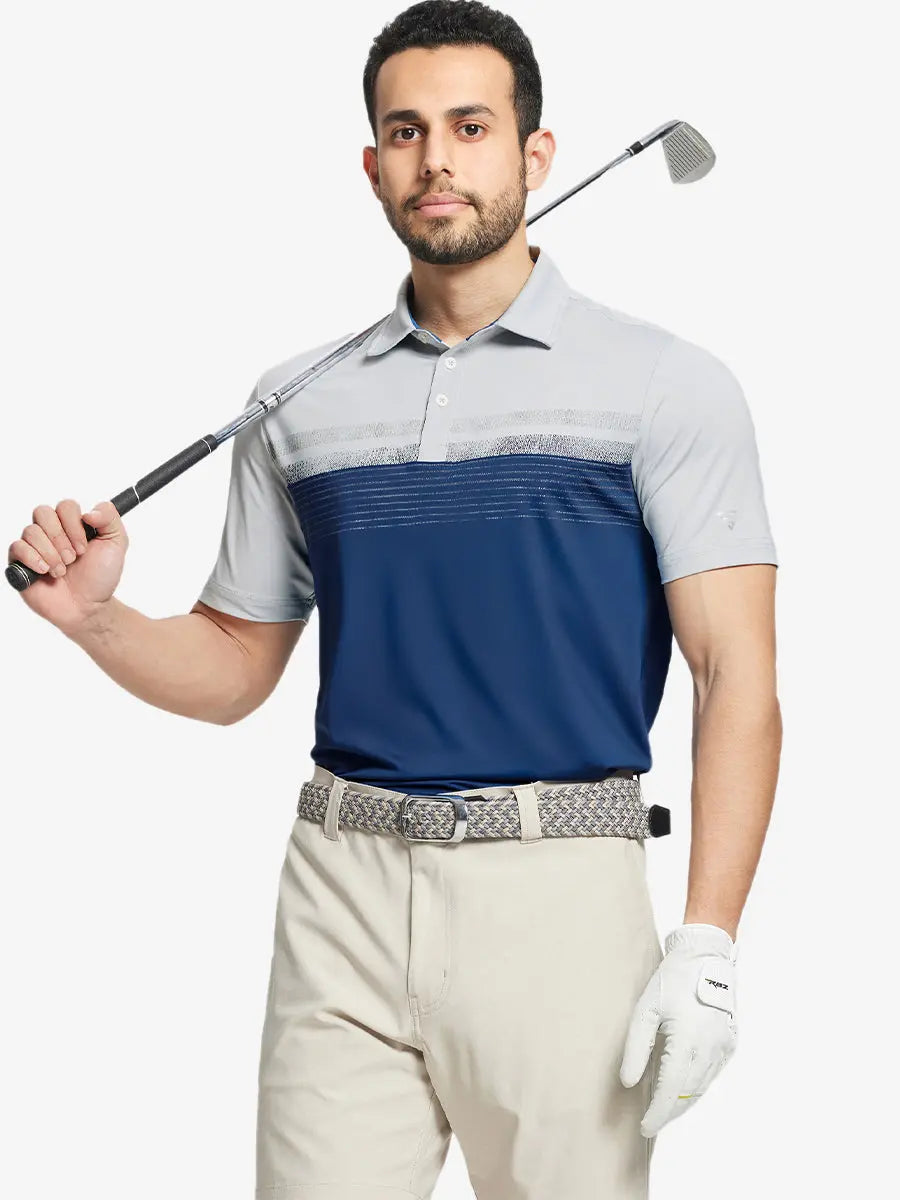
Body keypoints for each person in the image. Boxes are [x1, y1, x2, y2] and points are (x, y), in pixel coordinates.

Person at [8, 2, 781, 1196]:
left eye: (471, 127)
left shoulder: (666, 386)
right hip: (340, 888)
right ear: (373, 166)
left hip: (558, 895)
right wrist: (96, 619)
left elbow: (736, 676)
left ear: (534, 153)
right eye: (407, 132)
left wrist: (710, 941)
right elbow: (234, 666)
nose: (437, 161)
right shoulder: (295, 404)